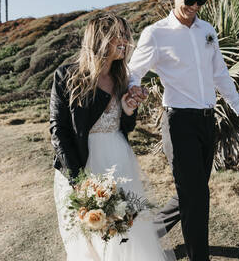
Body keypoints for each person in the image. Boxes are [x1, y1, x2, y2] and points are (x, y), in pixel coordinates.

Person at [127, 0, 239, 261]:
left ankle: (146, 232)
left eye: (201, 2)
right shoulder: (155, 34)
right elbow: (134, 71)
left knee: (192, 191)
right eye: (189, 1)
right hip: (179, 122)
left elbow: (220, 73)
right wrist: (134, 89)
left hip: (207, 121)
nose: (194, 8)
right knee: (197, 197)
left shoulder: (207, 31)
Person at [50, 14, 175, 261]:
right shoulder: (66, 76)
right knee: (90, 238)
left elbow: (124, 127)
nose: (127, 41)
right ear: (100, 38)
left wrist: (128, 109)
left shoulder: (122, 78)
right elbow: (59, 132)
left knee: (127, 232)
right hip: (81, 165)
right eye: (121, 35)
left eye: (128, 35)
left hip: (119, 162)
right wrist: (79, 182)